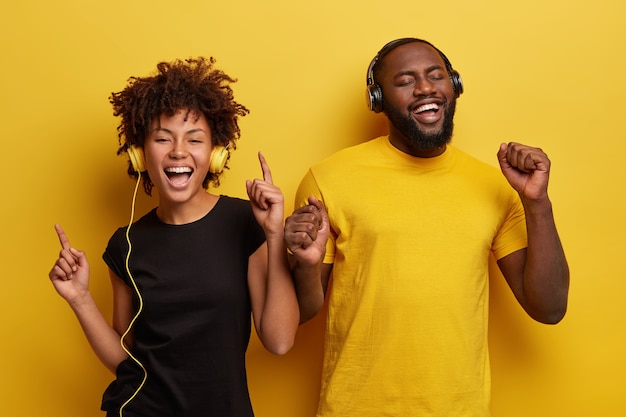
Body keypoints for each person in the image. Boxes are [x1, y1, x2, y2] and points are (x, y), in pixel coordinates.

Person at [284, 38, 569, 417]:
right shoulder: (327, 180)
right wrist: (304, 264)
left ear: (455, 86)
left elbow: (549, 308)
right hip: (356, 407)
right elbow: (297, 315)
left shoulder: (494, 187)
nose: (424, 88)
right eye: (404, 81)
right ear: (377, 99)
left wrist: (537, 203)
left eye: (436, 76)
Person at [48, 57, 299, 417]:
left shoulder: (246, 222)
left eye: (194, 139)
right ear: (140, 155)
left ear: (214, 155)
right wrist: (80, 298)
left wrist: (274, 235)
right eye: (162, 138)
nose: (178, 151)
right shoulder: (125, 245)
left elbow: (279, 341)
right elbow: (126, 360)